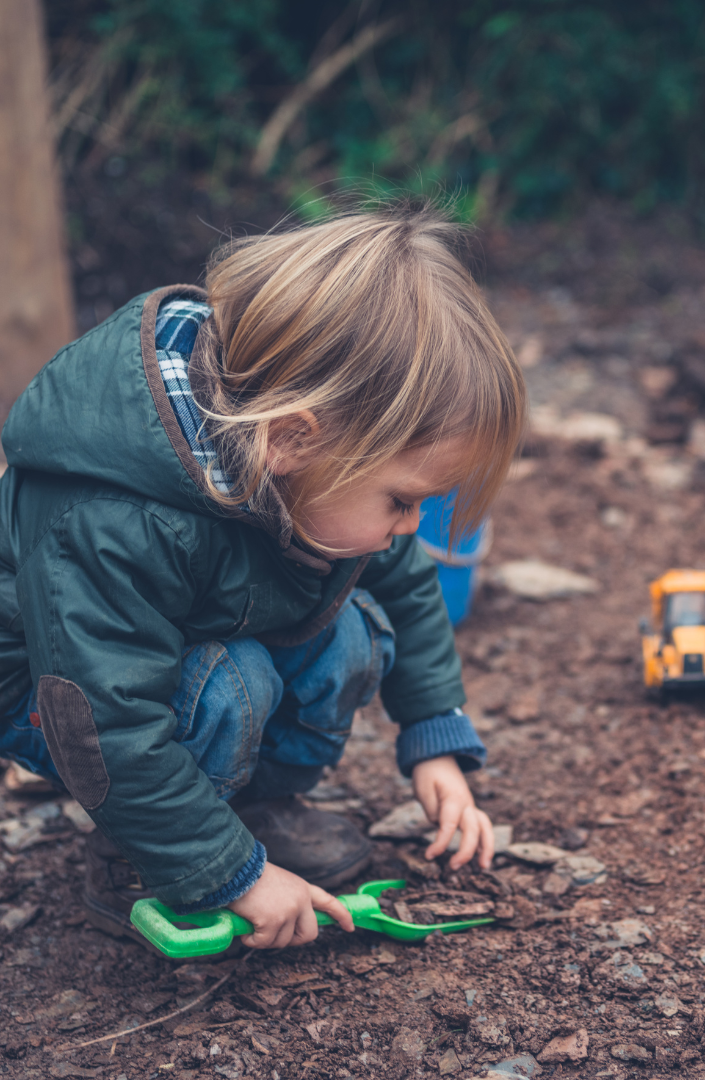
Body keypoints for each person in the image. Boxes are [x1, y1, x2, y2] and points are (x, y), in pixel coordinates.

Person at [0, 204, 526, 950]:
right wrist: (233, 879)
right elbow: (105, 717)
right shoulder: (115, 515)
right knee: (230, 686)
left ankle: (247, 812)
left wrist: (434, 736)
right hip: (56, 696)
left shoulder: (297, 469)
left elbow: (405, 583)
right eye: (402, 501)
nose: (410, 525)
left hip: (176, 649)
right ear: (290, 437)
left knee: (347, 637)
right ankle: (148, 862)